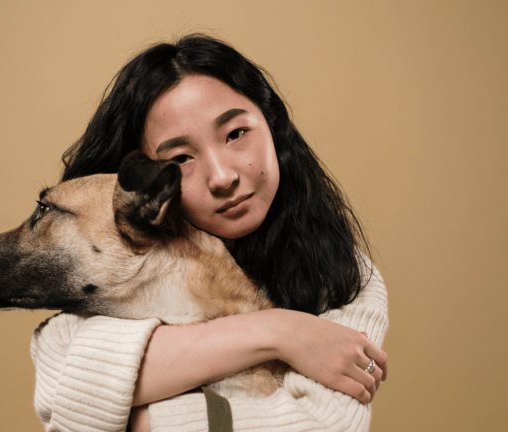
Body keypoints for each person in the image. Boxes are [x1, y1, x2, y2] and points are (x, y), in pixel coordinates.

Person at [29, 34, 388, 432]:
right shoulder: (113, 266)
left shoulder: (341, 271)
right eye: (180, 158)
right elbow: (63, 386)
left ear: (271, 124)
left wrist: (141, 423)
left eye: (235, 134)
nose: (222, 177)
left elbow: (323, 425)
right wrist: (282, 332)